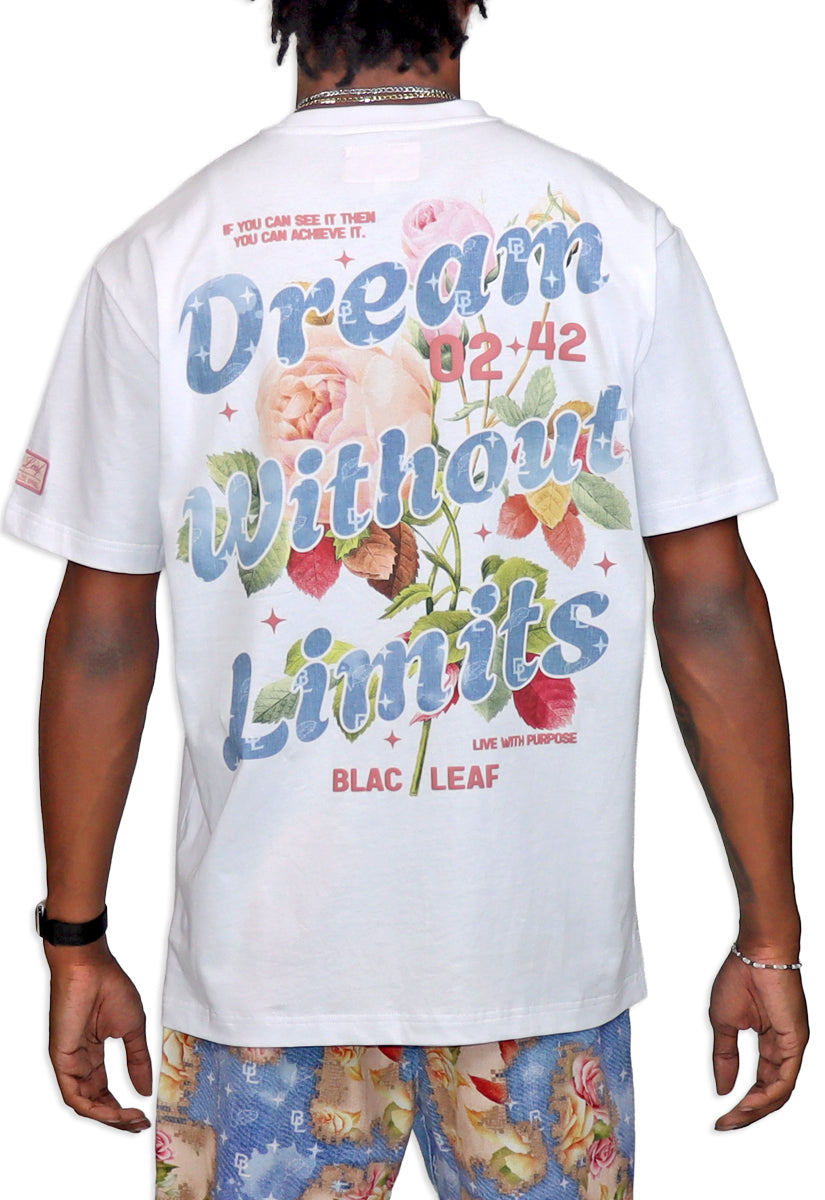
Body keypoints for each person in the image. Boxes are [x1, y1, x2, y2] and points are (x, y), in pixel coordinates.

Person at [3, 2, 809, 1198]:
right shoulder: (619, 234)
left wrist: (75, 940)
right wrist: (770, 937)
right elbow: (711, 610)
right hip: (536, 965)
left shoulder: (164, 256)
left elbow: (100, 642)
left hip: (260, 982)